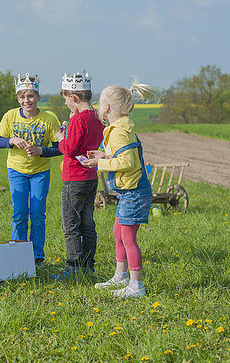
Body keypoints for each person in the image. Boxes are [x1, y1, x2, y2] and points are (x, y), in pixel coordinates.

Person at [82, 78, 161, 298]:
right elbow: (124, 157)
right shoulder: (119, 129)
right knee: (118, 232)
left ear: (107, 108)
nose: (98, 107)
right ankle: (121, 276)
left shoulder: (118, 132)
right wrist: (104, 155)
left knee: (128, 237)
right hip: (130, 191)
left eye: (100, 103)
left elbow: (127, 163)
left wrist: (101, 163)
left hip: (134, 192)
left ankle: (137, 286)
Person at [0, 73, 61, 267]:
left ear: (38, 97)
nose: (26, 100)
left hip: (40, 171)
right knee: (20, 213)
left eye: (30, 96)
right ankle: (18, 253)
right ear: (18, 99)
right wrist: (11, 140)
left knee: (38, 213)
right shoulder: (10, 116)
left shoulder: (49, 119)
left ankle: (37, 256)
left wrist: (41, 150)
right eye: (22, 97)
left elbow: (59, 147)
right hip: (16, 170)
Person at [54, 72, 104, 279]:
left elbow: (71, 149)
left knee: (71, 224)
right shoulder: (98, 117)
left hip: (74, 177)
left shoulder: (78, 120)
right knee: (87, 223)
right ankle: (88, 265)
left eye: (66, 99)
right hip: (91, 176)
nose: (66, 103)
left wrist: (60, 139)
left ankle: (74, 267)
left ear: (73, 98)